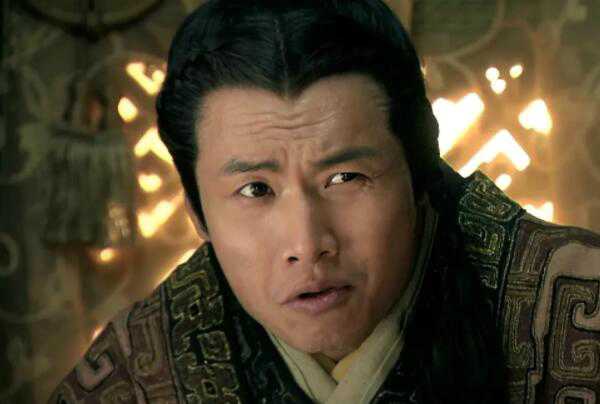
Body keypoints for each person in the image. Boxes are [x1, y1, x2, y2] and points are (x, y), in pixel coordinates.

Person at [47, 1, 600, 403]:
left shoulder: (575, 309)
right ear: (198, 213)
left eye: (345, 177)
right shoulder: (141, 372)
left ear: (419, 175)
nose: (307, 244)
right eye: (255, 190)